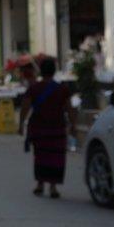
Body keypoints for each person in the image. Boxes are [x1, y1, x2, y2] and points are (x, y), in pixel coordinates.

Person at [18, 58, 76, 199]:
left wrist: (21, 124)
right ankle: (53, 187)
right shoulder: (62, 89)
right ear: (54, 71)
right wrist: (73, 125)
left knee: (40, 156)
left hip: (39, 129)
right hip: (57, 129)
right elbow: (70, 109)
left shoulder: (34, 88)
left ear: (41, 71)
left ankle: (40, 184)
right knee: (56, 158)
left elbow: (25, 107)